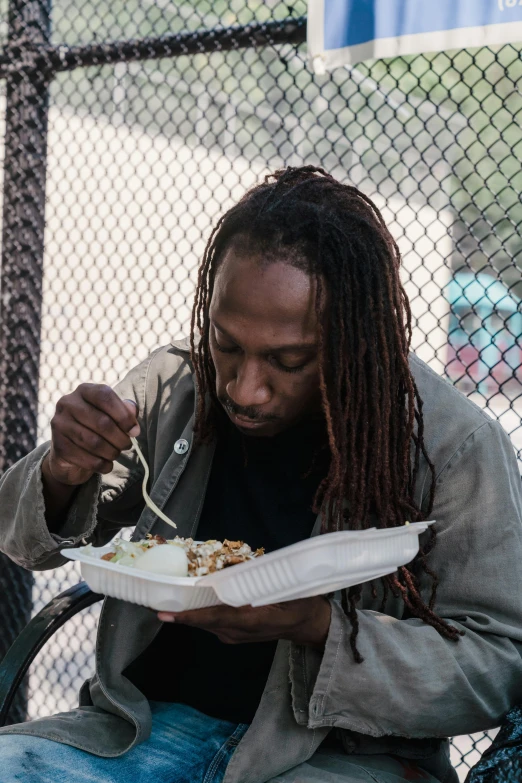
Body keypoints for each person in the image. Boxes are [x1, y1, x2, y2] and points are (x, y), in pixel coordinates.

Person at [0, 165, 521, 783]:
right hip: (136, 733)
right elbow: (21, 540)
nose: (244, 389)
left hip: (336, 761)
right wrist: (63, 468)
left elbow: (496, 665)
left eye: (288, 360)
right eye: (226, 343)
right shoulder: (174, 390)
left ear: (358, 340)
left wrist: (321, 629)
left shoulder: (451, 444)